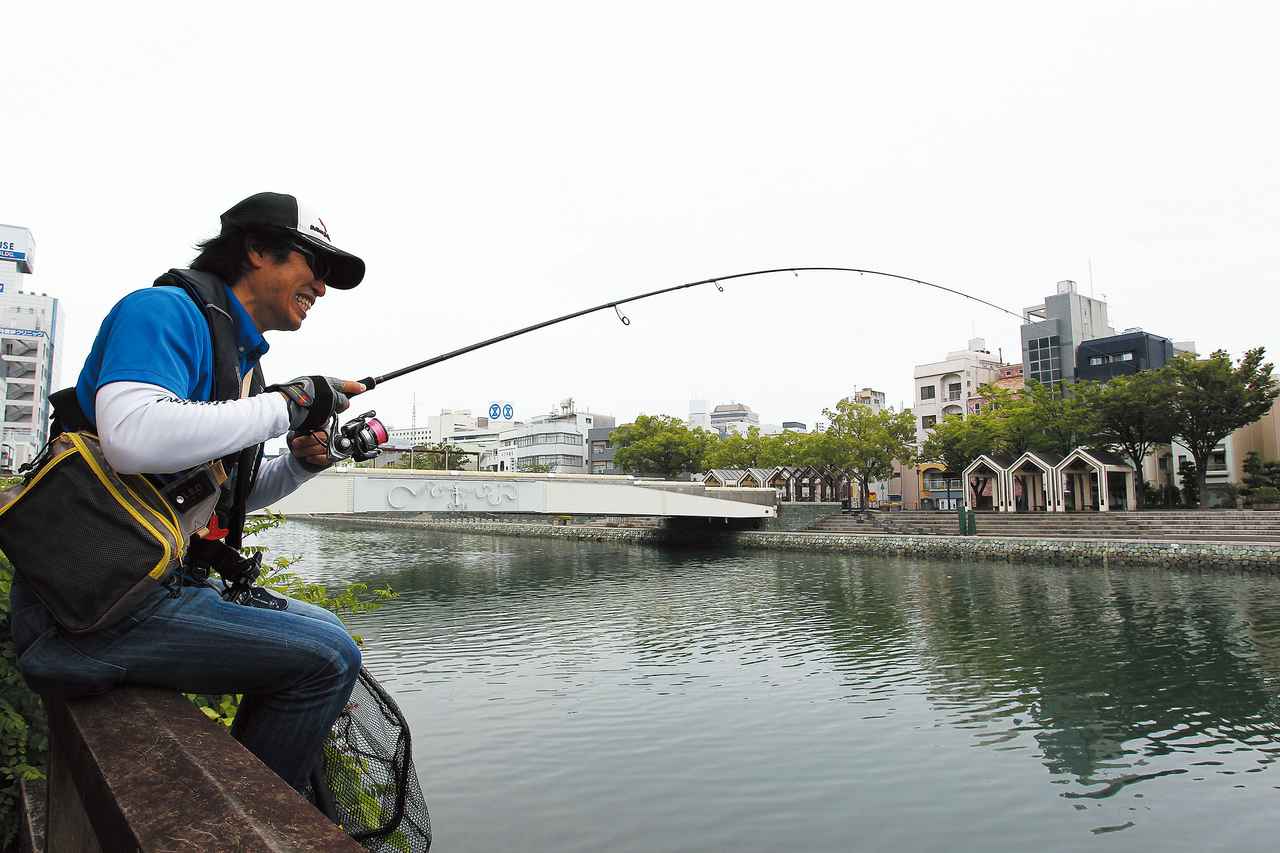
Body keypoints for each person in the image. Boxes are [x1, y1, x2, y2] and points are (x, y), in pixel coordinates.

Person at [9, 192, 369, 791]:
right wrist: (288, 405)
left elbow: (220, 502)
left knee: (330, 640)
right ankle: (253, 823)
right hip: (83, 612)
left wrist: (300, 465)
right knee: (326, 658)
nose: (322, 289)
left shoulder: (241, 365)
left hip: (134, 591)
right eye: (315, 267)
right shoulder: (162, 313)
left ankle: (258, 804)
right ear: (257, 249)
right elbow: (131, 437)